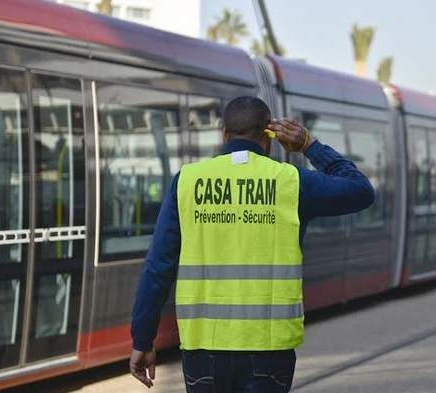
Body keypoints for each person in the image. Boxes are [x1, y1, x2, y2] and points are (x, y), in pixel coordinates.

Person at [129, 96, 375, 392]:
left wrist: (143, 339)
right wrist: (309, 145)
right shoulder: (291, 183)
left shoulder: (187, 181)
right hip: (268, 350)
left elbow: (158, 266)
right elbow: (361, 190)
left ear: (224, 135)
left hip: (204, 350)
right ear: (269, 138)